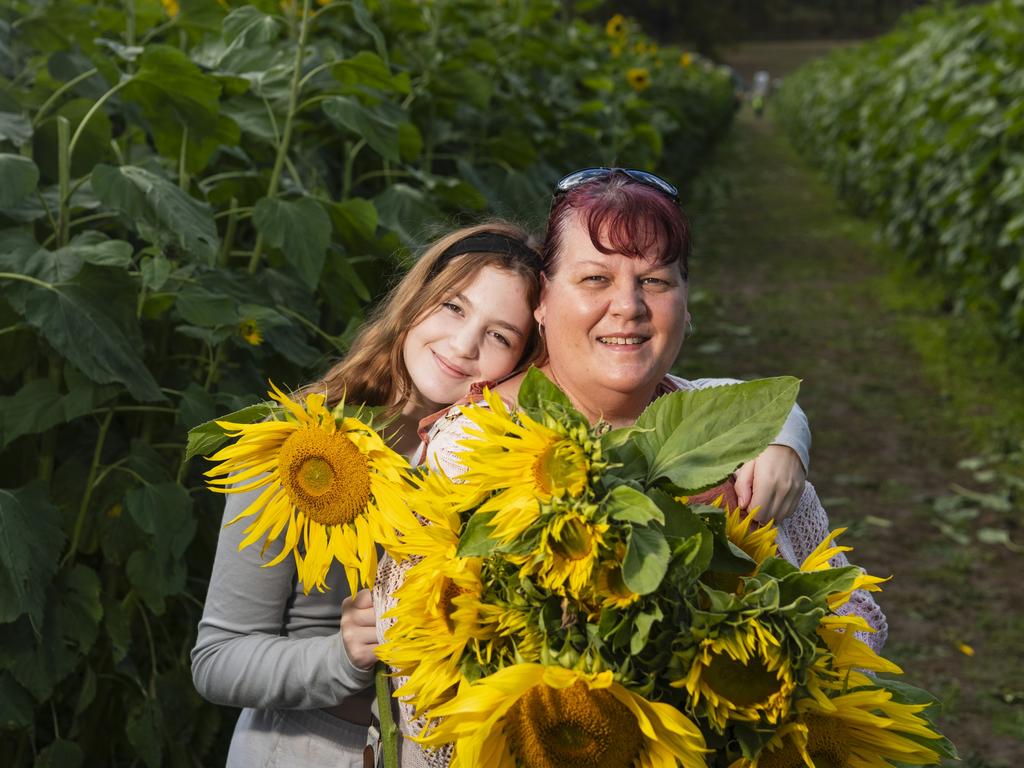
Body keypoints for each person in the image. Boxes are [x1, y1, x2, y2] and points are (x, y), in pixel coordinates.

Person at [374, 168, 886, 766]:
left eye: (655, 281)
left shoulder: (740, 437)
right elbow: (419, 675)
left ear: (687, 306)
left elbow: (856, 616)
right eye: (595, 278)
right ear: (542, 302)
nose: (629, 306)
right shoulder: (469, 450)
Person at [190, 221, 547, 768]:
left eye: (500, 335)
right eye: (452, 307)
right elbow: (218, 660)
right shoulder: (295, 451)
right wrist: (344, 656)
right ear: (414, 300)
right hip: (303, 747)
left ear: (524, 362)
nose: (463, 344)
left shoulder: (509, 467)